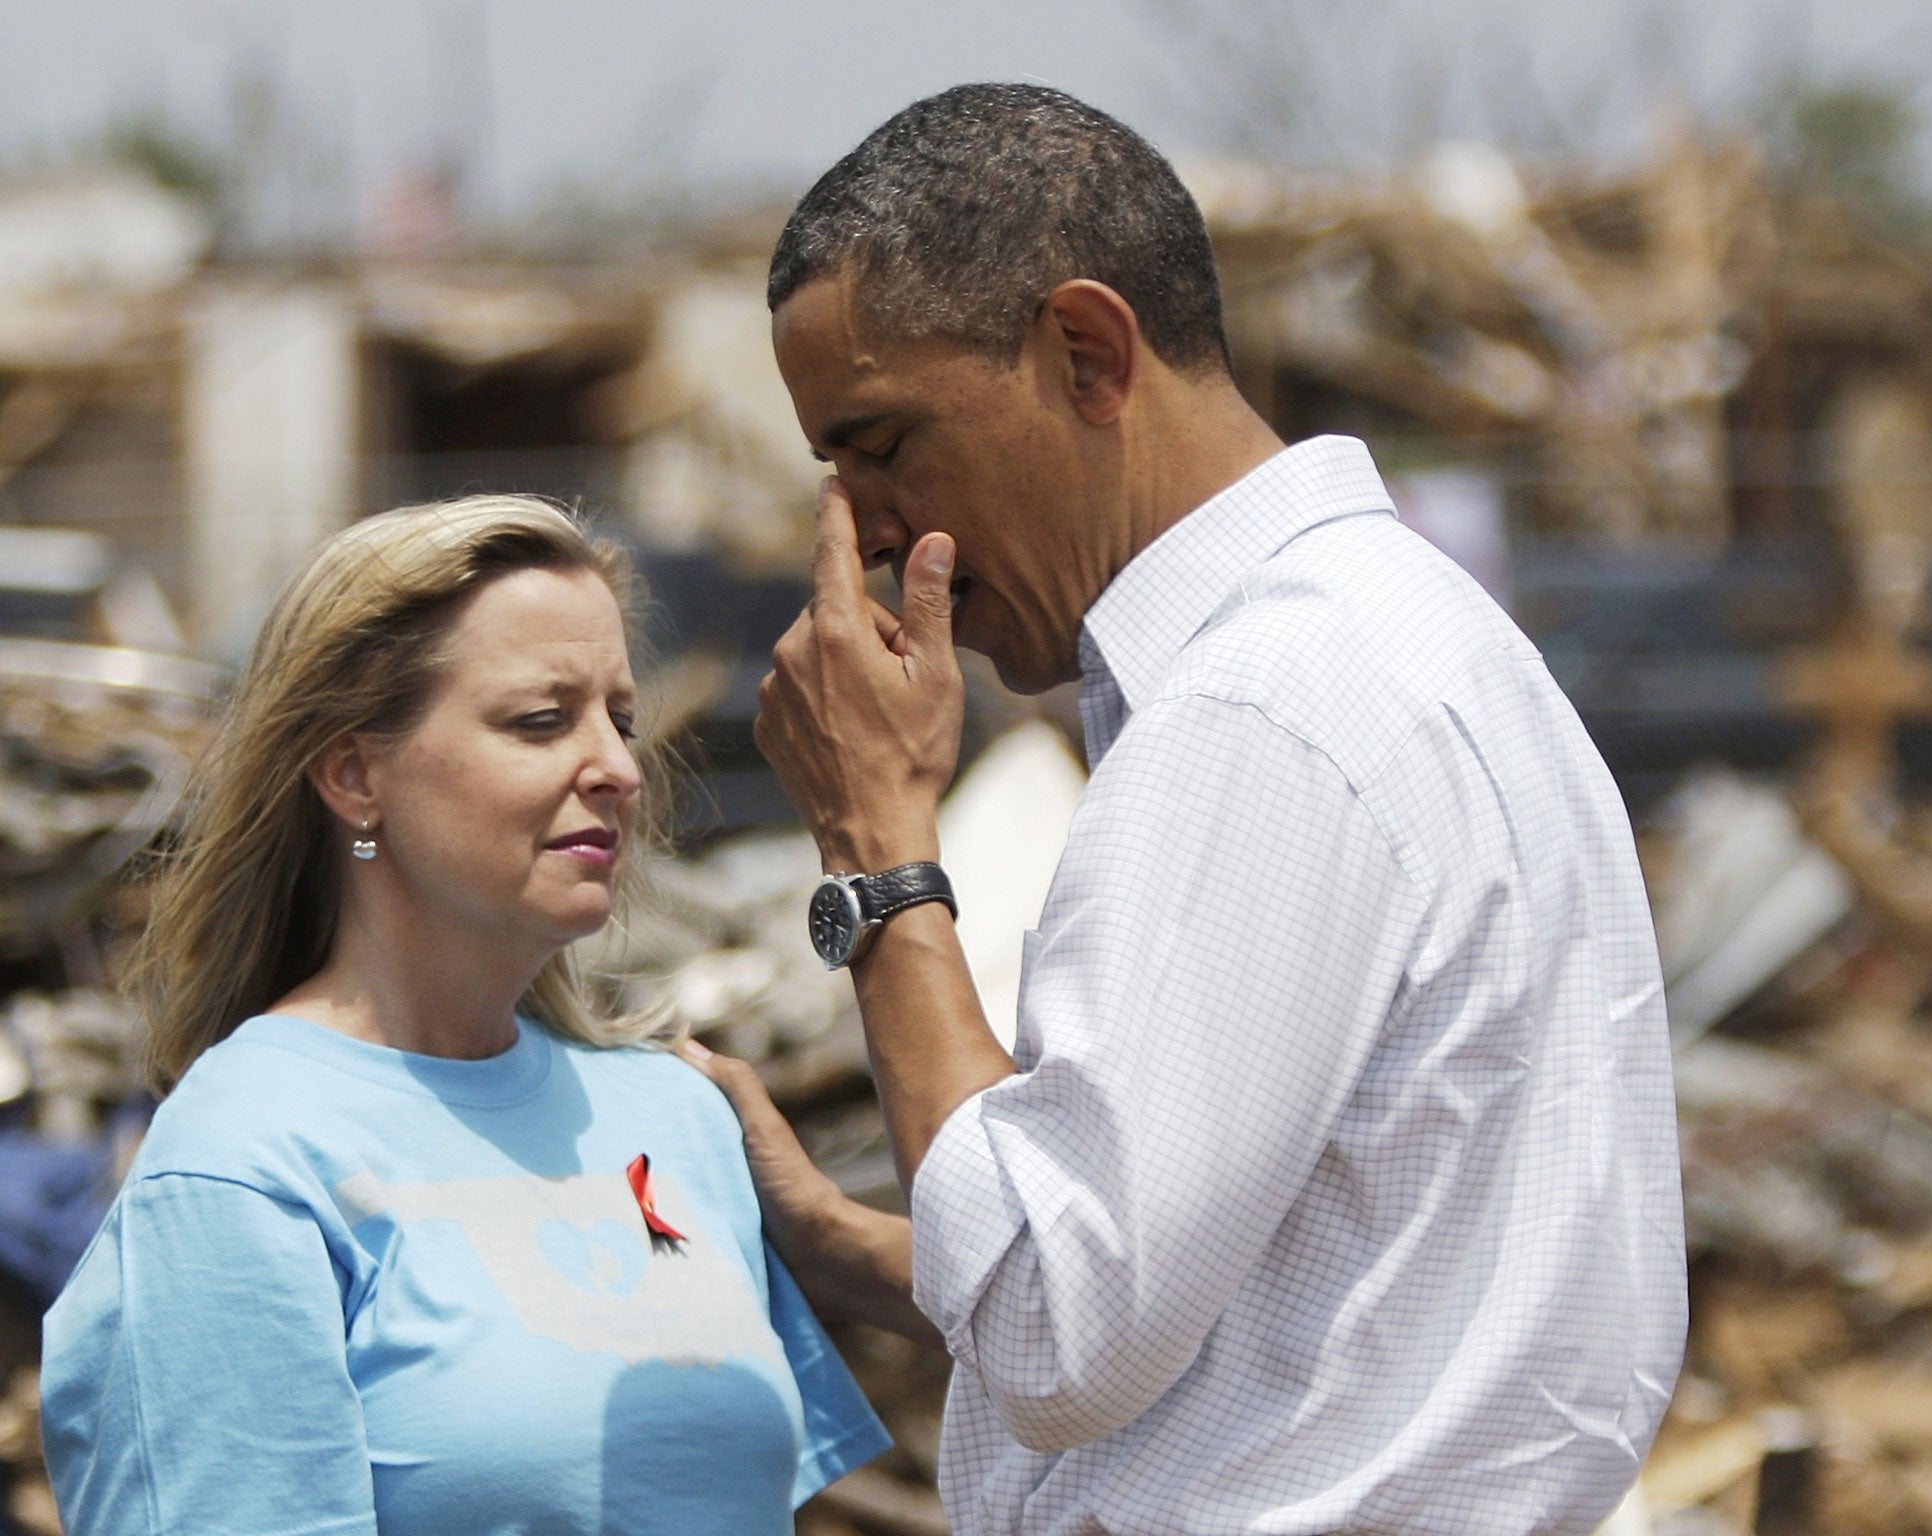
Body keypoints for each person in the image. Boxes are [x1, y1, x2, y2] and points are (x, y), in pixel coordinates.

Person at [708, 83, 1689, 1535]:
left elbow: (1059, 1330)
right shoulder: (1400, 639)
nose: (859, 529)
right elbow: (1283, 1289)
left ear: (1088, 352)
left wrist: (879, 852)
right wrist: (844, 1244)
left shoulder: (1260, 707)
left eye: (886, 443)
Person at [38, 496, 897, 1536]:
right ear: (355, 774)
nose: (618, 768)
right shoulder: (240, 1162)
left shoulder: (680, 1114)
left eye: (620, 718)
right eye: (541, 720)